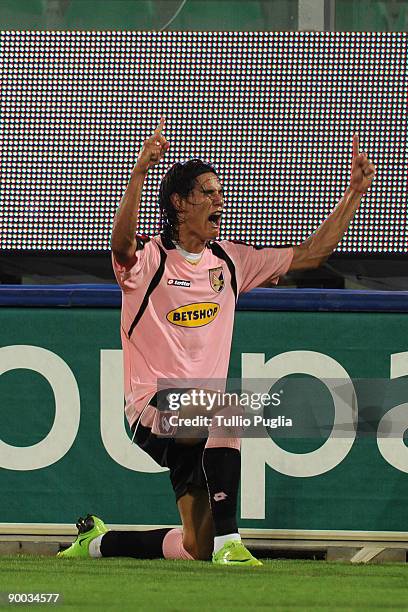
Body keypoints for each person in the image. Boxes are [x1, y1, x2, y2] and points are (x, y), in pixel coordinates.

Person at [58, 118, 375, 565]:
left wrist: (354, 195)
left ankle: (96, 543)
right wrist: (138, 174)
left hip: (201, 422)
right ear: (179, 204)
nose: (218, 199)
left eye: (219, 191)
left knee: (193, 548)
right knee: (230, 405)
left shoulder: (230, 260)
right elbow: (121, 242)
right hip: (152, 407)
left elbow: (311, 254)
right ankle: (233, 545)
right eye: (207, 192)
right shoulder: (151, 260)